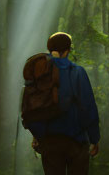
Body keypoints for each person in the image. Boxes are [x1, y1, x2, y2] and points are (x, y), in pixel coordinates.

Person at [26, 32, 100, 175]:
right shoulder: (77, 72)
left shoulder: (40, 73)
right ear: (67, 50)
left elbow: (34, 107)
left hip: (49, 141)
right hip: (77, 141)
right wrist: (94, 138)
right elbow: (88, 107)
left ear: (49, 49)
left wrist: (37, 135)